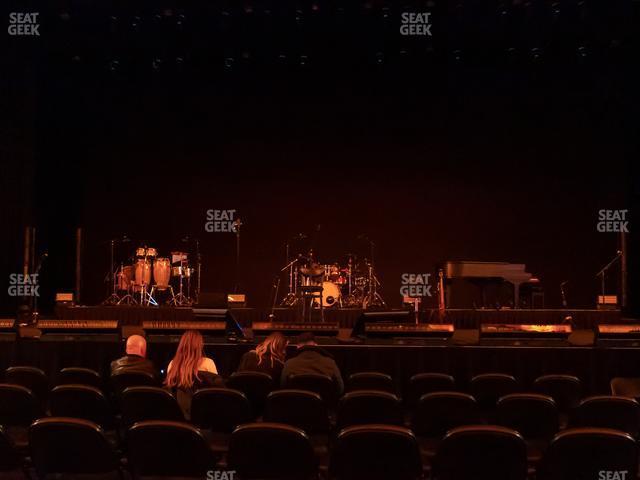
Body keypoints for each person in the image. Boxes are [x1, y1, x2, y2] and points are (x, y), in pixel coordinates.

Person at [165, 330, 224, 417]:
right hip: (205, 414)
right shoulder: (208, 363)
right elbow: (217, 392)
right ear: (200, 345)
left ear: (181, 345)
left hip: (179, 415)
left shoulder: (172, 364)